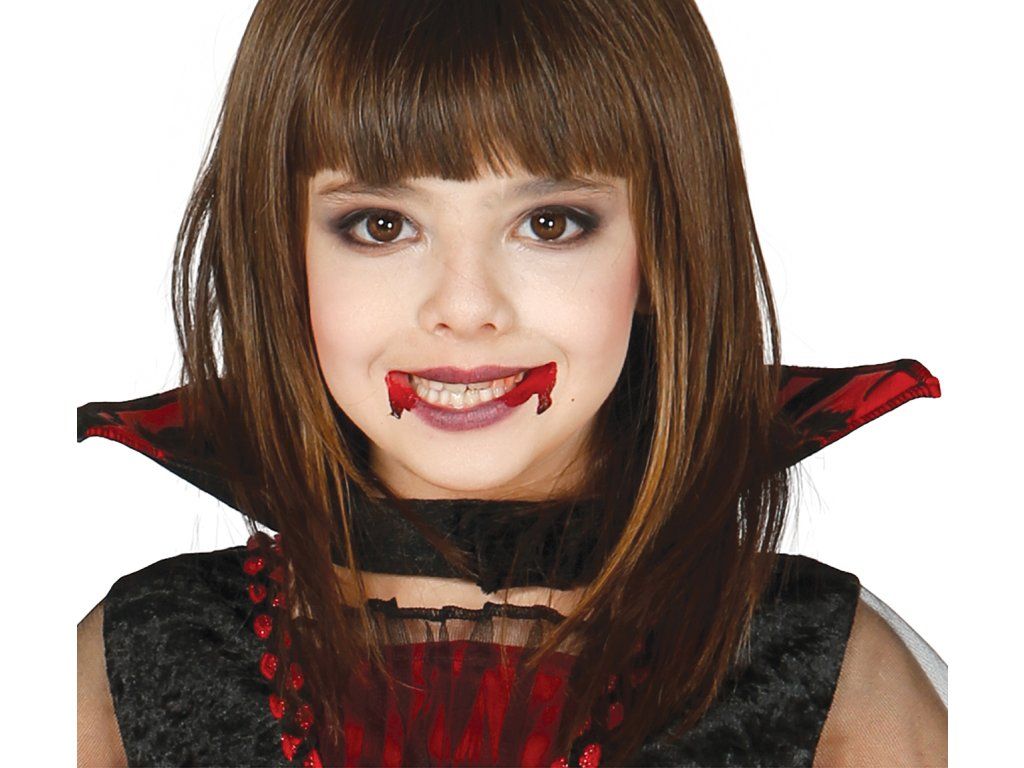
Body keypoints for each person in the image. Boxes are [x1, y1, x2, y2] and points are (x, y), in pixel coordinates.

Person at [76, 1, 948, 766]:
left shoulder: (833, 679)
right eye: (381, 226)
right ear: (280, 250)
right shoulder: (127, 672)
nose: (464, 309)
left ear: (662, 248)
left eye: (549, 223)